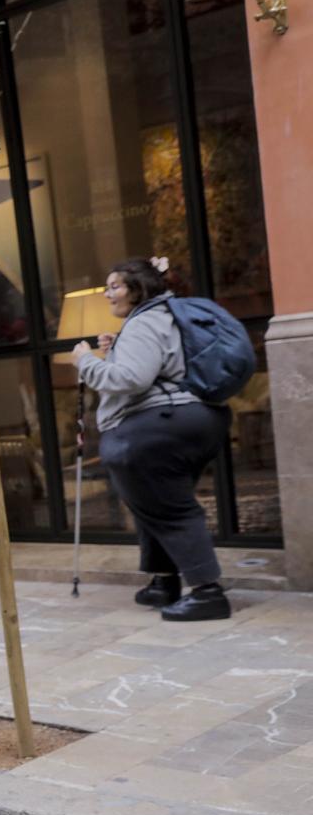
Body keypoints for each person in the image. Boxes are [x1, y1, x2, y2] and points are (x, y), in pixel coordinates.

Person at [72, 256, 232, 622]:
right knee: (152, 502)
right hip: (189, 418)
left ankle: (208, 592)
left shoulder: (145, 321)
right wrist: (115, 352)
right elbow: (151, 370)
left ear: (137, 289)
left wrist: (86, 361)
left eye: (114, 286)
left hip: (158, 425)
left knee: (168, 506)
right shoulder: (163, 317)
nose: (108, 294)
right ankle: (165, 581)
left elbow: (131, 380)